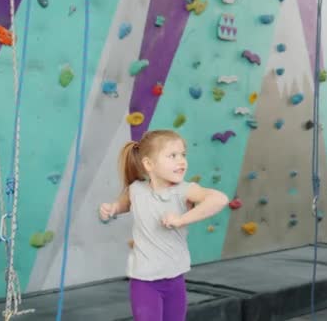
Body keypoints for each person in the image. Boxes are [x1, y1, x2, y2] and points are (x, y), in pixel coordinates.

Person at [98, 129, 229, 321]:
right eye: (173, 156)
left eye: (183, 155)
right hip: (144, 281)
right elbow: (123, 204)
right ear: (149, 164)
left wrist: (181, 220)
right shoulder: (135, 190)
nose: (181, 161)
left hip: (175, 279)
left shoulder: (185, 190)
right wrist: (111, 208)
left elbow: (219, 199)